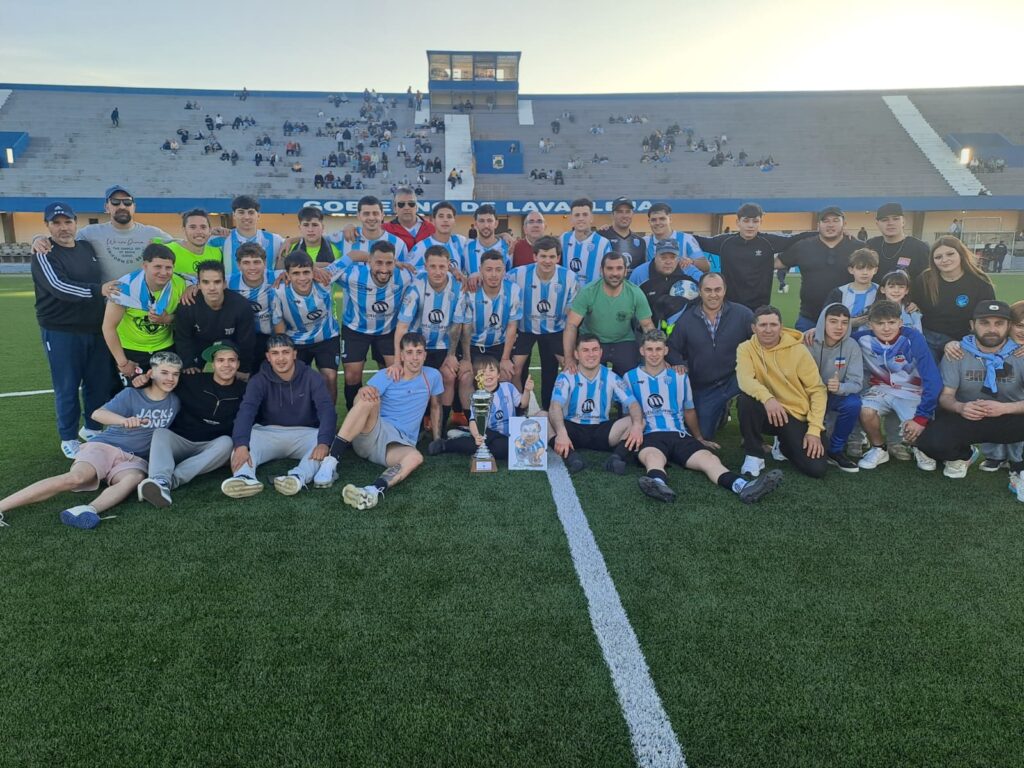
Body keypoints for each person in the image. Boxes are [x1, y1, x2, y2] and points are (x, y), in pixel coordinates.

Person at [0, 352, 182, 529]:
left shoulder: (175, 401)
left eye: (175, 374)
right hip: (105, 446)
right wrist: (123, 421)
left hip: (133, 459)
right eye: (164, 372)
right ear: (151, 373)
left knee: (134, 478)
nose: (170, 378)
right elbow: (98, 414)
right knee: (77, 478)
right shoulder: (131, 395)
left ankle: (87, 510)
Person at [624, 330, 783, 504]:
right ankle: (658, 484)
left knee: (709, 459)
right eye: (649, 349)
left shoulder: (679, 376)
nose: (654, 354)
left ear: (666, 351)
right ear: (642, 351)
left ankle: (743, 486)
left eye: (658, 349)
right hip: (650, 435)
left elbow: (689, 410)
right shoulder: (630, 377)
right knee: (653, 458)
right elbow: (629, 413)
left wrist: (699, 437)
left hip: (679, 434)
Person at [320, 333, 443, 510]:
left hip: (397, 445)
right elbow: (360, 401)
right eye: (409, 352)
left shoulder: (433, 376)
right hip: (374, 432)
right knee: (369, 397)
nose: (414, 358)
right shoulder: (388, 374)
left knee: (415, 457)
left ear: (425, 354)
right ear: (401, 355)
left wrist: (437, 438)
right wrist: (361, 393)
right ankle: (331, 461)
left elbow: (436, 406)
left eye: (419, 352)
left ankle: (372, 490)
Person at [31, 202, 116, 458]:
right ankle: (68, 437)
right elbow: (59, 287)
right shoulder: (44, 254)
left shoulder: (86, 247)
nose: (63, 228)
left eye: (67, 222)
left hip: (95, 329)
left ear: (75, 223)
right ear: (48, 226)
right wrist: (98, 290)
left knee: (98, 384)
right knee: (67, 387)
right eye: (56, 223)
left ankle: (92, 428)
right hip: (61, 331)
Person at [915, 301, 1024, 493]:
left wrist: (1005, 408)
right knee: (930, 443)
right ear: (972, 325)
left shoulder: (1020, 353)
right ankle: (965, 454)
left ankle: (1019, 466)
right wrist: (960, 407)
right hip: (968, 417)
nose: (992, 329)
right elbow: (946, 397)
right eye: (984, 323)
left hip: (1010, 417)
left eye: (999, 323)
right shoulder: (957, 352)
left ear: (1008, 326)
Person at [222, 335, 337, 498]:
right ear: (268, 357)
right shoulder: (259, 380)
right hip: (268, 433)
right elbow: (246, 411)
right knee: (244, 444)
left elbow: (327, 410)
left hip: (304, 433)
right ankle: (244, 478)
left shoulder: (312, 377)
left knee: (326, 447)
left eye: (285, 352)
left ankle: (297, 477)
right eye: (275, 353)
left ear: (294, 354)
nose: (281, 358)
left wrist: (324, 442)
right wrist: (241, 445)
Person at [136, 341, 246, 507]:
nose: (226, 365)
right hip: (181, 440)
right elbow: (164, 380)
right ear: (213, 363)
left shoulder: (245, 390)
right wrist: (143, 379)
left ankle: (167, 483)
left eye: (231, 360)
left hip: (211, 447)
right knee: (161, 433)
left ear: (238, 364)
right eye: (220, 360)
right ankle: (159, 478)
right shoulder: (192, 380)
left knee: (227, 443)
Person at [736, 306, 828, 479]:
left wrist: (814, 430)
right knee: (745, 400)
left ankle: (783, 444)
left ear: (781, 326)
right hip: (767, 410)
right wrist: (768, 399)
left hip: (794, 414)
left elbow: (817, 391)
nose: (768, 330)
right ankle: (754, 454)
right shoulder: (745, 348)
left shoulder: (798, 350)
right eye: (763, 325)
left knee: (816, 469)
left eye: (773, 324)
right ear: (754, 328)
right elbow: (745, 379)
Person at [852, 300, 941, 471]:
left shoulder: (913, 338)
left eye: (891, 322)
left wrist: (921, 418)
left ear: (900, 322)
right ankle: (879, 448)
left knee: (914, 427)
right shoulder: (861, 339)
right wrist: (815, 332)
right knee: (865, 410)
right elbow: (834, 338)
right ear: (870, 325)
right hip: (882, 389)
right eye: (880, 323)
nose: (886, 328)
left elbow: (932, 379)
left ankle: (918, 448)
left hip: (912, 391)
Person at [666, 272, 754, 441]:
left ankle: (752, 438)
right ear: (700, 291)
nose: (713, 295)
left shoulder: (742, 314)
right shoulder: (686, 319)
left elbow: (760, 340)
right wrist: (678, 363)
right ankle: (721, 411)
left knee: (753, 396)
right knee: (703, 434)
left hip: (736, 378)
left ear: (725, 290)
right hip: (706, 385)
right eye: (708, 290)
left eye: (717, 289)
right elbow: (671, 347)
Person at [326, 241, 411, 409]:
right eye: (378, 262)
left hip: (388, 332)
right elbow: (324, 273)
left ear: (395, 262)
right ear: (369, 261)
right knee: (352, 376)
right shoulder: (353, 274)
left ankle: (389, 417)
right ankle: (354, 415)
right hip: (355, 331)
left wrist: (460, 274)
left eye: (389, 263)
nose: (384, 269)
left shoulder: (405, 276)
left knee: (394, 373)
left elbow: (432, 273)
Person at [31, 186, 172, 283]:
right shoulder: (91, 233)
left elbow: (183, 246)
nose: (122, 206)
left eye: (127, 202)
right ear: (106, 207)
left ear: (134, 207)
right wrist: (38, 238)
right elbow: (64, 237)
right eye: (115, 202)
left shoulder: (153, 233)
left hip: (140, 305)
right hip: (106, 306)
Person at [548, 333, 644, 474]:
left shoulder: (611, 377)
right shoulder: (566, 376)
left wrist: (636, 425)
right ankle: (572, 457)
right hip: (572, 429)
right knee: (541, 416)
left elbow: (633, 404)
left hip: (602, 431)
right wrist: (562, 433)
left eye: (594, 350)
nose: (591, 354)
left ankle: (616, 458)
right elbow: (555, 405)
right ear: (576, 354)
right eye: (585, 350)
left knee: (639, 421)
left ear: (601, 352)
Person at [692, 202, 815, 310]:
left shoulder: (768, 242)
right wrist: (673, 235)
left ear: (760, 222)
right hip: (730, 307)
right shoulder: (725, 242)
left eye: (755, 221)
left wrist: (822, 234)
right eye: (746, 221)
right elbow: (698, 241)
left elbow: (794, 239)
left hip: (760, 308)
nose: (750, 225)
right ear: (738, 222)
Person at [394, 245, 465, 429]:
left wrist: (451, 354)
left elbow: (457, 326)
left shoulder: (458, 288)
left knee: (449, 375)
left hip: (443, 345)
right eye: (433, 266)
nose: (438, 271)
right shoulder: (416, 287)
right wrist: (398, 360)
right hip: (418, 346)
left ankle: (441, 425)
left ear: (449, 265)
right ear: (425, 266)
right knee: (412, 378)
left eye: (442, 267)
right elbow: (402, 327)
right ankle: (419, 419)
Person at [102, 243, 187, 386]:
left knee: (168, 393)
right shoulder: (124, 288)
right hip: (132, 351)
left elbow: (186, 318)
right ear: (145, 266)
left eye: (168, 267)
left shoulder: (181, 284)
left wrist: (168, 318)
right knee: (135, 395)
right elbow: (108, 327)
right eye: (157, 267)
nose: (164, 272)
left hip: (165, 347)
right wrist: (122, 363)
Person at [508, 236, 577, 409]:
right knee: (515, 370)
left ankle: (554, 409)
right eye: (543, 256)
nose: (547, 261)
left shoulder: (568, 277)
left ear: (558, 258)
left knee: (567, 369)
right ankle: (518, 409)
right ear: (534, 257)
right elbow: (497, 280)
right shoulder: (518, 274)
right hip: (525, 329)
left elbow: (572, 309)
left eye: (552, 257)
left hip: (556, 329)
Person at [564, 252, 654, 376]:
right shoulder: (588, 292)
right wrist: (569, 358)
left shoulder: (635, 293)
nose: (615, 273)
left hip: (624, 340)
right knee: (591, 383)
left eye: (619, 268)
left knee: (631, 380)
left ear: (626, 270)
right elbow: (571, 325)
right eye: (610, 268)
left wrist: (656, 354)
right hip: (593, 340)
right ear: (601, 270)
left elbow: (647, 325)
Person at [776, 206, 861, 331]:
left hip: (846, 320)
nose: (830, 225)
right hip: (809, 318)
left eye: (835, 220)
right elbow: (776, 263)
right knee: (805, 351)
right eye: (825, 221)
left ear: (845, 223)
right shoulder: (803, 246)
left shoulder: (858, 248)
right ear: (818, 224)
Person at [429, 356, 529, 461]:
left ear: (498, 374)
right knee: (494, 446)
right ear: (477, 378)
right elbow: (473, 421)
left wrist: (526, 390)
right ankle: (446, 445)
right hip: (488, 432)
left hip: (508, 434)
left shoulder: (508, 387)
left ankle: (461, 437)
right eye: (483, 372)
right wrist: (477, 436)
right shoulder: (478, 396)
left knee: (498, 447)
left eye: (491, 370)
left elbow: (523, 403)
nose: (488, 374)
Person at [457, 250, 522, 407]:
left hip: (498, 346)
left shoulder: (513, 290)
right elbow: (465, 330)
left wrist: (505, 359)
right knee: (466, 377)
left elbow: (512, 326)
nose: (493, 275)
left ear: (504, 271)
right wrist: (466, 359)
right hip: (473, 346)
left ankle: (503, 420)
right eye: (489, 269)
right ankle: (471, 423)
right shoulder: (469, 292)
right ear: (480, 270)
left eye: (498, 269)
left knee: (506, 374)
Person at [275, 251, 342, 403]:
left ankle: (328, 417)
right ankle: (303, 419)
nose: (302, 278)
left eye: (306, 272)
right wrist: (284, 349)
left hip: (327, 337)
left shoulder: (325, 279)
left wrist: (394, 262)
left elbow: (351, 256)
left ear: (313, 272)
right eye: (296, 273)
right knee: (295, 380)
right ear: (288, 275)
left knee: (330, 377)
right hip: (297, 342)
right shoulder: (279, 291)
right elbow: (278, 324)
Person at [913, 236, 995, 359]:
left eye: (950, 254)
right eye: (938, 257)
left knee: (955, 375)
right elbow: (911, 304)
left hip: (963, 341)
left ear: (961, 254)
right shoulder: (925, 279)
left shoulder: (980, 282)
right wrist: (913, 304)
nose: (944, 260)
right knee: (931, 376)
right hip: (929, 339)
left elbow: (988, 316)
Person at [174, 261, 256, 377]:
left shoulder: (241, 306)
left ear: (224, 284)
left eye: (217, 282)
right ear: (198, 285)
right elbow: (183, 338)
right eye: (206, 282)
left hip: (230, 351)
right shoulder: (187, 306)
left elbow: (246, 341)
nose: (212, 288)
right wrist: (188, 363)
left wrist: (244, 368)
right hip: (199, 350)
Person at [808, 304, 863, 472]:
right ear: (822, 322)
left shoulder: (852, 345)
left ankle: (836, 449)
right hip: (807, 396)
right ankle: (784, 441)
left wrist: (840, 387)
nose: (839, 327)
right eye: (833, 321)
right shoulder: (807, 341)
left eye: (844, 322)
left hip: (834, 395)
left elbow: (857, 383)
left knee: (853, 403)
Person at [226, 242, 284, 360]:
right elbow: (200, 280)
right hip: (242, 337)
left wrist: (313, 268)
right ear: (238, 265)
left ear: (265, 263)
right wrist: (192, 287)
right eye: (246, 263)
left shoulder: (278, 277)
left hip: (271, 336)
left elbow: (302, 268)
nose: (252, 267)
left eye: (257, 262)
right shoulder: (228, 281)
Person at [631, 203, 709, 283]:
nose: (658, 223)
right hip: (654, 290)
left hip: (680, 290)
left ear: (670, 219)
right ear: (649, 221)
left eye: (662, 219)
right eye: (654, 220)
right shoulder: (644, 242)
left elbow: (706, 267)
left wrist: (692, 261)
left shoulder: (686, 239)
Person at [211, 195, 285, 278]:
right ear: (234, 215)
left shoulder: (275, 240)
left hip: (267, 290)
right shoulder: (222, 238)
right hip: (231, 290)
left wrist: (291, 240)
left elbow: (301, 242)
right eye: (241, 212)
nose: (246, 217)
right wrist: (209, 232)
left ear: (258, 216)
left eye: (251, 212)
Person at [326, 195, 410, 266]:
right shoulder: (342, 237)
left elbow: (404, 273)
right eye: (366, 214)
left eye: (375, 213)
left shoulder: (398, 244)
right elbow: (316, 241)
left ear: (382, 215)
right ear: (358, 216)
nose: (371, 218)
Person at [639, 239, 702, 333]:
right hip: (653, 339)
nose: (668, 262)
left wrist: (693, 261)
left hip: (686, 336)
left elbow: (710, 285)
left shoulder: (689, 271)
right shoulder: (640, 273)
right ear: (655, 256)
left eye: (673, 257)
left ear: (679, 258)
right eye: (663, 257)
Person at [864, 203, 930, 279]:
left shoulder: (919, 248)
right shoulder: (871, 245)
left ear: (903, 221)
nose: (890, 223)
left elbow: (927, 281)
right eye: (884, 220)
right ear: (877, 224)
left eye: (895, 219)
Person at [560, 198, 613, 286]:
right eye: (577, 215)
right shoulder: (564, 239)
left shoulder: (603, 243)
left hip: (593, 297)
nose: (581, 218)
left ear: (591, 218)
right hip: (568, 297)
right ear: (571, 219)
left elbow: (609, 272)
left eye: (585, 215)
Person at [823, 247, 879, 329]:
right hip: (844, 339)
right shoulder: (839, 293)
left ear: (875, 270)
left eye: (869, 268)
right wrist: (849, 323)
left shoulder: (881, 291)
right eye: (860, 268)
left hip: (873, 339)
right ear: (851, 270)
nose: (865, 272)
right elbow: (826, 318)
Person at [161, 209, 222, 277]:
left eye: (203, 227)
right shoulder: (168, 251)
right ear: (184, 230)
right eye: (193, 227)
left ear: (210, 230)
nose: (199, 231)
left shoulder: (217, 253)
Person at [409, 201, 468, 272]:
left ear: (454, 221)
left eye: (449, 217)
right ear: (433, 221)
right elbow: (409, 271)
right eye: (441, 216)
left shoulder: (461, 242)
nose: (445, 220)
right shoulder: (421, 247)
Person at [462, 205, 511, 283]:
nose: (486, 225)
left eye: (489, 221)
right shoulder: (466, 247)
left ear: (496, 223)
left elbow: (512, 276)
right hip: (473, 294)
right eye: (481, 221)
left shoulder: (508, 246)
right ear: (476, 224)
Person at [597, 197, 646, 272]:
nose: (624, 215)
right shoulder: (600, 237)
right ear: (612, 214)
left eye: (628, 211)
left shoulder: (641, 242)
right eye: (620, 212)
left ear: (632, 214)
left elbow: (641, 271)